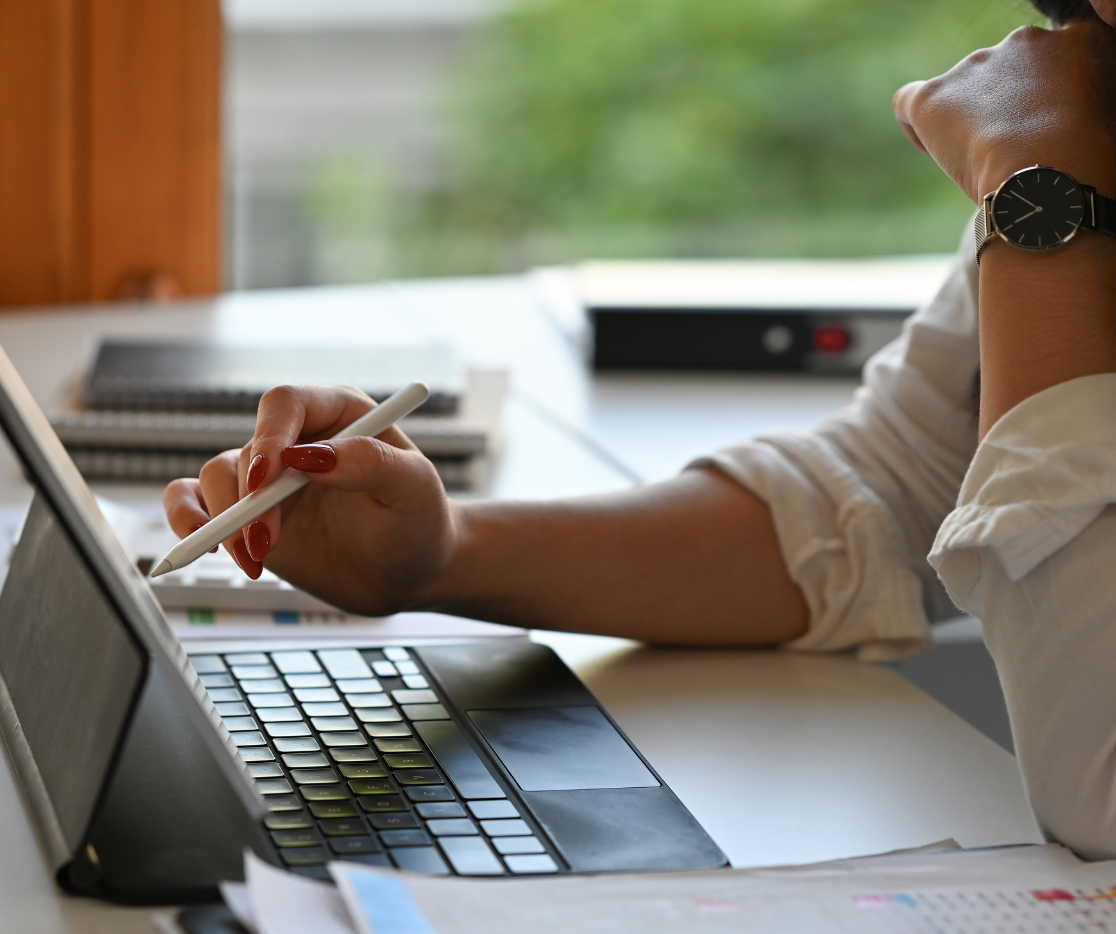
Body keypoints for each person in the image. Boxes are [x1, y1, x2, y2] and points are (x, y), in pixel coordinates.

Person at [166, 3, 1116, 855]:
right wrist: (441, 555)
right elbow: (891, 487)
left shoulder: (1058, 157)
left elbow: (1097, 791)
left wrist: (1040, 199)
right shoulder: (1088, 100)